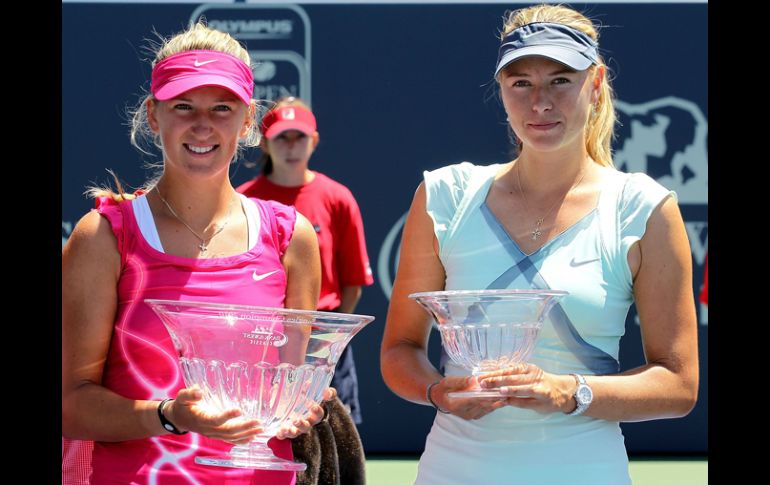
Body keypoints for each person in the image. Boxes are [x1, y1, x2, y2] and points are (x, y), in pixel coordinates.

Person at [380, 4, 699, 484]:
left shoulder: (642, 208)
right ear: (502, 90)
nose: (539, 103)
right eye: (521, 83)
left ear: (595, 84)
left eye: (560, 80)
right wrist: (436, 391)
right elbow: (400, 350)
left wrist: (569, 391)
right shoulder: (445, 195)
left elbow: (678, 384)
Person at [62, 22, 335, 485]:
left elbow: (288, 384)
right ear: (154, 115)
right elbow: (70, 404)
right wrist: (169, 416)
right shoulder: (104, 237)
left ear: (248, 120)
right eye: (183, 106)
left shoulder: (292, 237)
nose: (202, 125)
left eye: (222, 108)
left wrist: (301, 407)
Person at [236, 97, 373, 484]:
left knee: (333, 442)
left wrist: (328, 338)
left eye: (299, 137)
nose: (291, 145)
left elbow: (351, 282)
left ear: (313, 141)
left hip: (323, 345)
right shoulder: (243, 199)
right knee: (266, 438)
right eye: (282, 137)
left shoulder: (337, 197)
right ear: (265, 144)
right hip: (259, 344)